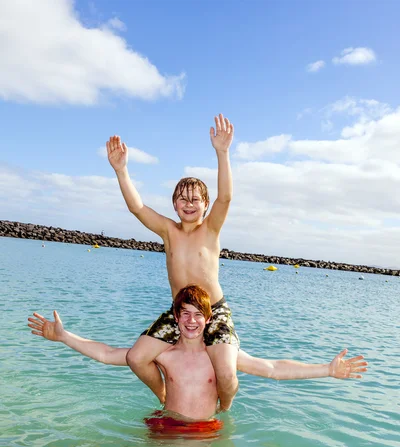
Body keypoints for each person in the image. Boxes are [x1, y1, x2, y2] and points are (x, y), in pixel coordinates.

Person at [27, 285, 368, 424]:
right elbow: (107, 353)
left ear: (208, 320)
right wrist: (64, 336)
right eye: (184, 313)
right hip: (166, 425)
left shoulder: (220, 358)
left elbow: (273, 368)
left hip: (207, 430)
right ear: (175, 318)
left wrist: (327, 369)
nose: (191, 320)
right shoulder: (165, 355)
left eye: (198, 314)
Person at [107, 114, 239, 412]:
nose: (189, 204)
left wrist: (222, 152)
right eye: (182, 199)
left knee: (228, 375)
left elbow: (226, 197)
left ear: (205, 205)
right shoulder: (169, 230)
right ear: (173, 204)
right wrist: (121, 170)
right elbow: (136, 207)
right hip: (181, 312)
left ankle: (224, 407)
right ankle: (165, 395)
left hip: (214, 311)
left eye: (195, 200)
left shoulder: (211, 229)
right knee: (135, 357)